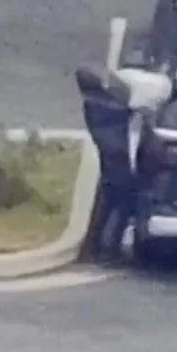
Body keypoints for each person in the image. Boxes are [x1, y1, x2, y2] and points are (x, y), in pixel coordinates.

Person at [75, 67, 135, 262]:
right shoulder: (102, 104)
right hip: (116, 161)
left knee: (107, 207)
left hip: (109, 161)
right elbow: (123, 109)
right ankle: (109, 249)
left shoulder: (92, 104)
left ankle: (95, 247)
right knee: (122, 205)